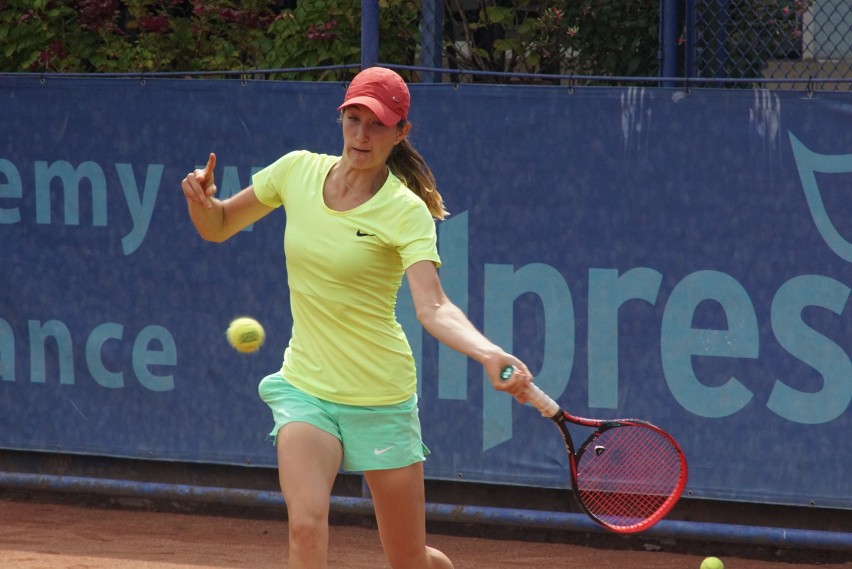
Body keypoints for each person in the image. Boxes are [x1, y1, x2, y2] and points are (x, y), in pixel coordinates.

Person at [181, 66, 533, 569]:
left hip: (379, 397)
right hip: (306, 387)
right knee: (305, 527)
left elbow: (433, 306)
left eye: (377, 124)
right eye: (354, 119)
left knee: (409, 560)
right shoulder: (295, 171)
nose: (362, 135)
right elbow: (217, 227)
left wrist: (487, 351)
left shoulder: (405, 211)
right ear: (341, 117)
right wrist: (200, 201)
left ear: (400, 132)